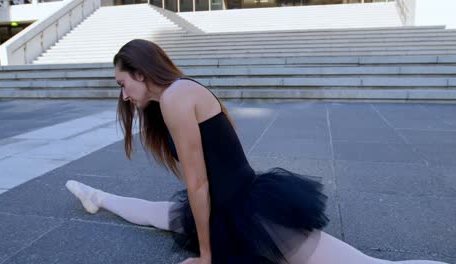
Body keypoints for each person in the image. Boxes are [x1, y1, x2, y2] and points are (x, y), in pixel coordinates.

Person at [66, 39, 448, 264]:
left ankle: (98, 197)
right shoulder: (176, 94)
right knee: (159, 214)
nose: (123, 94)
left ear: (141, 73)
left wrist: (206, 256)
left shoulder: (176, 98)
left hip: (252, 212)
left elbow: (197, 184)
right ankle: (95, 196)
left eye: (122, 83)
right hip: (229, 204)